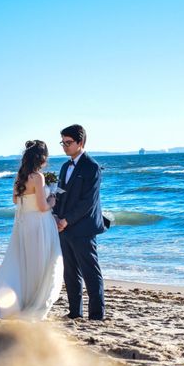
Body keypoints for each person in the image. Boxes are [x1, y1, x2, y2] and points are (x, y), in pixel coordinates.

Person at [0, 140, 63, 319]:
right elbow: (42, 206)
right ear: (42, 158)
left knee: (25, 261)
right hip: (39, 224)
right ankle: (33, 301)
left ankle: (23, 298)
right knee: (43, 262)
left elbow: (16, 201)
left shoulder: (20, 176)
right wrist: (52, 198)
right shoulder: (38, 177)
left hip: (25, 223)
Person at [54, 124, 107, 320]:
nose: (65, 146)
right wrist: (56, 216)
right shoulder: (64, 167)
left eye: (68, 143)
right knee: (70, 272)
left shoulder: (91, 166)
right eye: (63, 142)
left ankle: (96, 314)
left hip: (83, 228)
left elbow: (88, 202)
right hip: (63, 227)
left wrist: (66, 220)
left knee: (90, 272)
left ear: (80, 142)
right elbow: (60, 194)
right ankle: (75, 312)